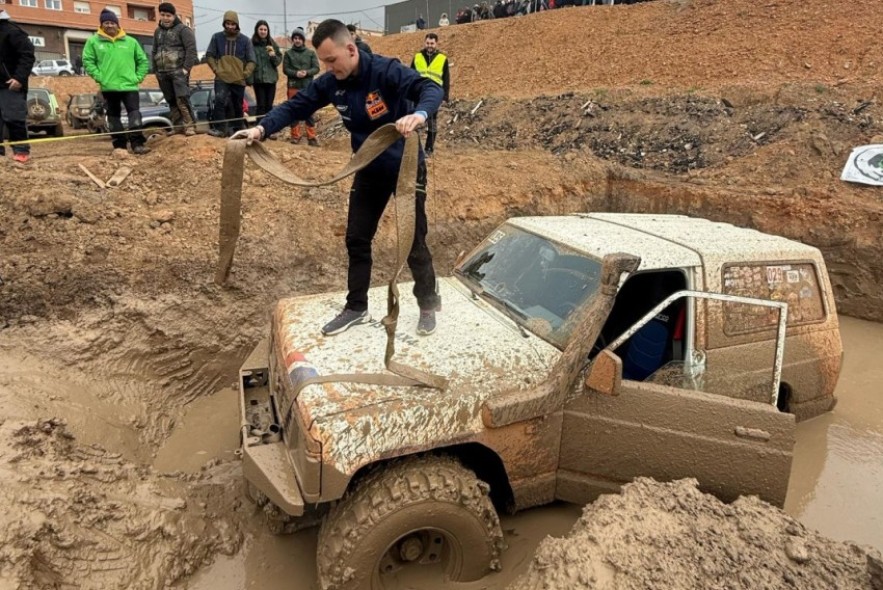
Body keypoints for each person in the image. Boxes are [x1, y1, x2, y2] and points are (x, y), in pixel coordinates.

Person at [233, 19, 443, 337]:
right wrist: (262, 128)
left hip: (405, 168)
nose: (329, 68)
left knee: (414, 242)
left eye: (332, 60)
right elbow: (295, 106)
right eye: (324, 62)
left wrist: (419, 114)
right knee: (357, 238)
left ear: (350, 49)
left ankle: (427, 305)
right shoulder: (331, 82)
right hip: (368, 168)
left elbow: (431, 88)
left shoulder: (386, 71)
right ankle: (356, 307)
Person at [82, 9, 150, 154]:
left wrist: (138, 77)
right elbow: (88, 61)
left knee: (135, 115)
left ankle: (137, 144)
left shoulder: (131, 42)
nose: (109, 25)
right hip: (109, 87)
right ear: (101, 25)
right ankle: (120, 146)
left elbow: (143, 61)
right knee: (113, 118)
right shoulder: (93, 42)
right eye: (106, 23)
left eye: (112, 22)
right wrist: (100, 77)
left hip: (130, 86)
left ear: (117, 24)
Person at [205, 11, 255, 138]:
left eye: (233, 24)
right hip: (221, 77)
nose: (230, 26)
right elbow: (209, 55)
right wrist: (216, 69)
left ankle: (239, 130)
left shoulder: (245, 40)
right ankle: (220, 129)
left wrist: (244, 74)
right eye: (228, 23)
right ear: (224, 23)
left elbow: (252, 61)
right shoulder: (216, 37)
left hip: (239, 79)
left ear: (237, 24)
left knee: (238, 104)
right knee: (220, 101)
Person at [152, 2, 198, 136]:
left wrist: (186, 69)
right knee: (170, 100)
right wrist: (155, 70)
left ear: (174, 16)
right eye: (163, 15)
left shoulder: (183, 30)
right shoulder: (157, 32)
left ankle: (190, 126)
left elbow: (191, 51)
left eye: (168, 15)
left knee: (182, 99)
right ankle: (178, 126)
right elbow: (154, 50)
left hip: (178, 72)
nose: (165, 18)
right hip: (162, 72)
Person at [0, 9, 35, 163]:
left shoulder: (13, 31)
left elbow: (27, 55)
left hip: (10, 84)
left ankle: (21, 151)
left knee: (14, 117)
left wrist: (19, 78)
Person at [410, 33, 449, 156]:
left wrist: (445, 96)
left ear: (436, 44)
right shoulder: (417, 57)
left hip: (434, 95)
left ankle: (429, 149)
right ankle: (414, 148)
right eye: (427, 43)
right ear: (424, 42)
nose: (429, 46)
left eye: (432, 43)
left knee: (432, 123)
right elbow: (410, 75)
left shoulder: (442, 58)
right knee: (415, 122)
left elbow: (446, 78)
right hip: (418, 93)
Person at [282, 27, 319, 146]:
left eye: (299, 38)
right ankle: (295, 136)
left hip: (308, 86)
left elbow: (316, 68)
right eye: (295, 38)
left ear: (303, 40)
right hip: (293, 86)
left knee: (309, 111)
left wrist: (307, 72)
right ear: (293, 40)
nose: (297, 40)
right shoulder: (288, 54)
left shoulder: (311, 53)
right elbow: (285, 69)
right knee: (293, 110)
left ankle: (311, 137)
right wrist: (295, 73)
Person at [249, 20, 281, 123]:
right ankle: (260, 129)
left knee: (269, 106)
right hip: (258, 80)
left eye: (265, 29)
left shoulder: (272, 43)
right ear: (256, 30)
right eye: (261, 29)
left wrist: (273, 56)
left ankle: (269, 129)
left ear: (268, 31)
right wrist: (250, 78)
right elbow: (249, 62)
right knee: (261, 106)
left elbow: (277, 61)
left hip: (271, 80)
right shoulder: (252, 44)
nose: (263, 31)